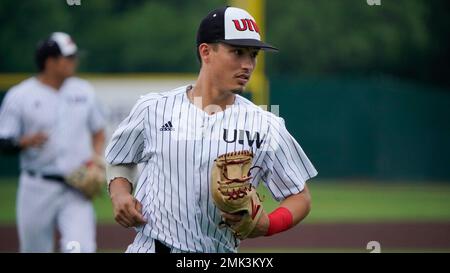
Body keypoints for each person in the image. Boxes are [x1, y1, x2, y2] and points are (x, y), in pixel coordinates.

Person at [105, 6, 317, 253]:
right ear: (206, 51)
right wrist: (120, 194)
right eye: (237, 52)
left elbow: (300, 197)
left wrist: (268, 224)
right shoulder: (153, 109)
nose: (248, 65)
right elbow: (120, 159)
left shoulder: (266, 126)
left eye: (253, 54)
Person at [0, 32, 106, 252]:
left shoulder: (83, 91)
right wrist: (23, 142)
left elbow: (98, 132)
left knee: (81, 249)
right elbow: (4, 140)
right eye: (68, 58)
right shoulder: (20, 95)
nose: (74, 62)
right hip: (37, 186)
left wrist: (96, 160)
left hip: (76, 186)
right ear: (50, 62)